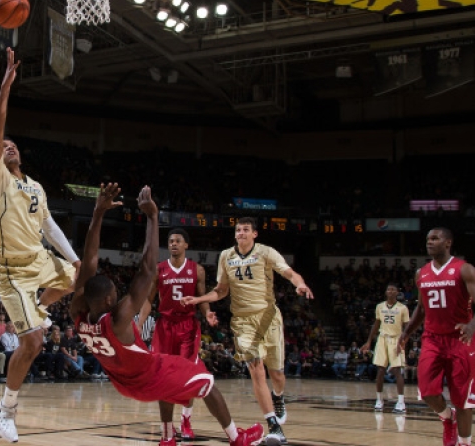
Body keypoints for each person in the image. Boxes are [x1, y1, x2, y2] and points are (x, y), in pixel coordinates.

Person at [69, 183, 262, 446]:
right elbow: (147, 271)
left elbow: (89, 262)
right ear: (109, 299)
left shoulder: (78, 313)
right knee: (206, 381)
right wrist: (152, 216)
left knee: (177, 376)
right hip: (148, 375)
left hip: (122, 382)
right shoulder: (118, 318)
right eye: (115, 293)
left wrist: (98, 214)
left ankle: (168, 438)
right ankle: (236, 438)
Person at [0, 47, 81, 443]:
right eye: (3, 145)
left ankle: (40, 306)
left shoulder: (35, 185)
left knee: (83, 279)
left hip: (39, 260)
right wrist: (6, 86)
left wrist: (74, 261)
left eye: (13, 145)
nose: (8, 146)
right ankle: (5, 409)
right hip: (11, 271)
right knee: (34, 341)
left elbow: (51, 226)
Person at [182, 217, 313, 446]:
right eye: (237, 230)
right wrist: (199, 299)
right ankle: (273, 425)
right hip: (242, 322)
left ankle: (278, 398)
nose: (240, 233)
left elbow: (290, 273)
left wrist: (299, 284)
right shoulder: (225, 256)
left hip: (268, 317)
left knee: (278, 375)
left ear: (254, 234)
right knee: (256, 368)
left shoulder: (266, 252)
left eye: (245, 230)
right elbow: (221, 291)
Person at [398, 228, 475, 446]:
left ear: (448, 242)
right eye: (428, 239)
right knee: (427, 392)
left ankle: (465, 442)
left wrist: (472, 326)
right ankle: (448, 419)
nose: (429, 242)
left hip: (460, 339)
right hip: (432, 338)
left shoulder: (464, 269)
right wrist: (406, 332)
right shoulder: (421, 273)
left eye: (435, 239)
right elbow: (421, 309)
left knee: (463, 401)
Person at [137, 228, 218, 440]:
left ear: (186, 245)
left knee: (187, 375)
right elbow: (148, 300)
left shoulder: (197, 270)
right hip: (164, 327)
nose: (173, 244)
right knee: (163, 377)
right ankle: (168, 425)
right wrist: (139, 322)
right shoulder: (158, 270)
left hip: (187, 326)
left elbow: (202, 298)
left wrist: (208, 313)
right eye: (171, 241)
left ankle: (186, 419)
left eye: (177, 241)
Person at [361, 283, 410, 413]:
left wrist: (404, 342)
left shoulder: (403, 308)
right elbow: (376, 324)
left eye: (393, 289)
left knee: (398, 371)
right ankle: (379, 399)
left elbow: (407, 328)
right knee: (380, 370)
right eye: (388, 289)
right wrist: (369, 341)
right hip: (382, 339)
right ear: (386, 292)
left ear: (397, 292)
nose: (391, 291)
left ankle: (401, 402)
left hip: (396, 339)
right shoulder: (379, 306)